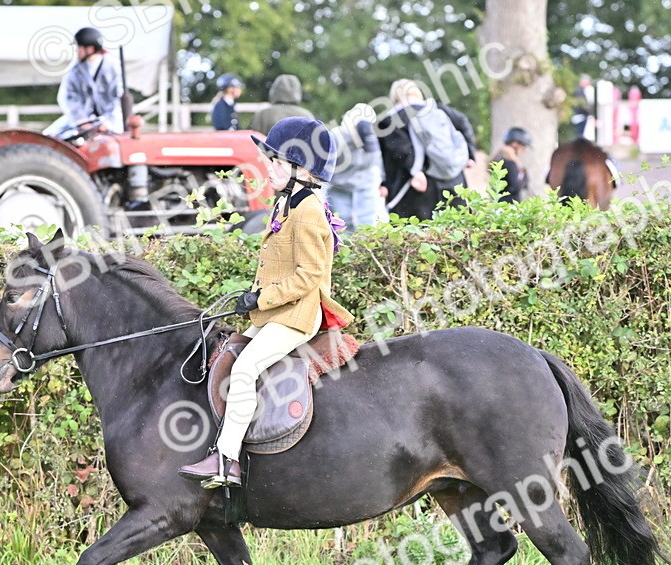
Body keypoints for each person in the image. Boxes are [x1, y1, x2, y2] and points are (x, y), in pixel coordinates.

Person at [179, 117, 354, 488]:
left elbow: (308, 276)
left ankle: (227, 461)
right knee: (225, 355)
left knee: (245, 369)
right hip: (275, 312)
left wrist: (260, 297)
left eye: (277, 162)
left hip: (296, 316)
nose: (268, 167)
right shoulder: (287, 203)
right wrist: (255, 300)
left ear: (301, 170)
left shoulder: (308, 212)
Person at [378, 79, 472, 221]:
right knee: (457, 228)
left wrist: (413, 171)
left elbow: (401, 151)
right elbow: (462, 122)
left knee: (416, 231)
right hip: (454, 182)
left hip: (416, 189)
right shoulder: (437, 109)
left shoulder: (391, 120)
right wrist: (470, 155)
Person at [45, 27, 124, 136]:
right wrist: (82, 121)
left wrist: (109, 122)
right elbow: (68, 98)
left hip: (111, 121)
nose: (76, 51)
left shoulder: (113, 68)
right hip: (82, 121)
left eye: (79, 47)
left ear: (90, 49)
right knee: (49, 135)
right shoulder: (74, 72)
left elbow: (118, 99)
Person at [328, 103, 383, 231]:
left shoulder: (371, 138)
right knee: (341, 226)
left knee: (368, 227)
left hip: (365, 187)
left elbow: (377, 160)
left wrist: (383, 182)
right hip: (339, 188)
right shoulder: (336, 137)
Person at [489, 127, 531, 202]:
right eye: (523, 145)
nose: (524, 149)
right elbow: (516, 186)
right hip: (508, 203)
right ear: (515, 144)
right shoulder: (510, 162)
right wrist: (524, 175)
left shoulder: (499, 158)